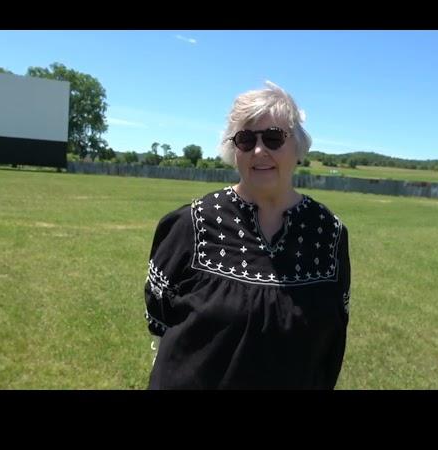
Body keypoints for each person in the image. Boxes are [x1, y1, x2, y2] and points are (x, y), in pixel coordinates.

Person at [143, 81, 351, 389]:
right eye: (245, 139)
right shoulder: (192, 223)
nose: (258, 150)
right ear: (233, 149)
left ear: (297, 147)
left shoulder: (328, 233)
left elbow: (333, 332)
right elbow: (158, 314)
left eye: (273, 138)